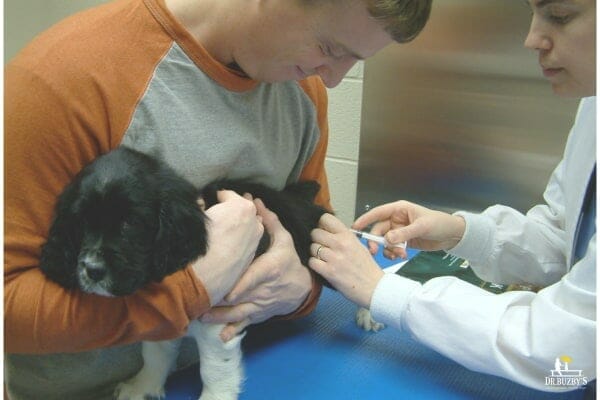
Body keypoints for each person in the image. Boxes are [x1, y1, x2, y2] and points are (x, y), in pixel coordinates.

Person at [4, 0, 432, 398]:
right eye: (328, 47)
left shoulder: (304, 89)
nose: (332, 78)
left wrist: (302, 289)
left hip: (256, 364)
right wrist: (188, 293)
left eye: (353, 59)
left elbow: (314, 225)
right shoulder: (62, 81)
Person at [310, 0, 596, 393]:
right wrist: (462, 233)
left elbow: (563, 352)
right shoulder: (593, 104)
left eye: (560, 17)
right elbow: (565, 240)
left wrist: (383, 291)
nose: (532, 38)